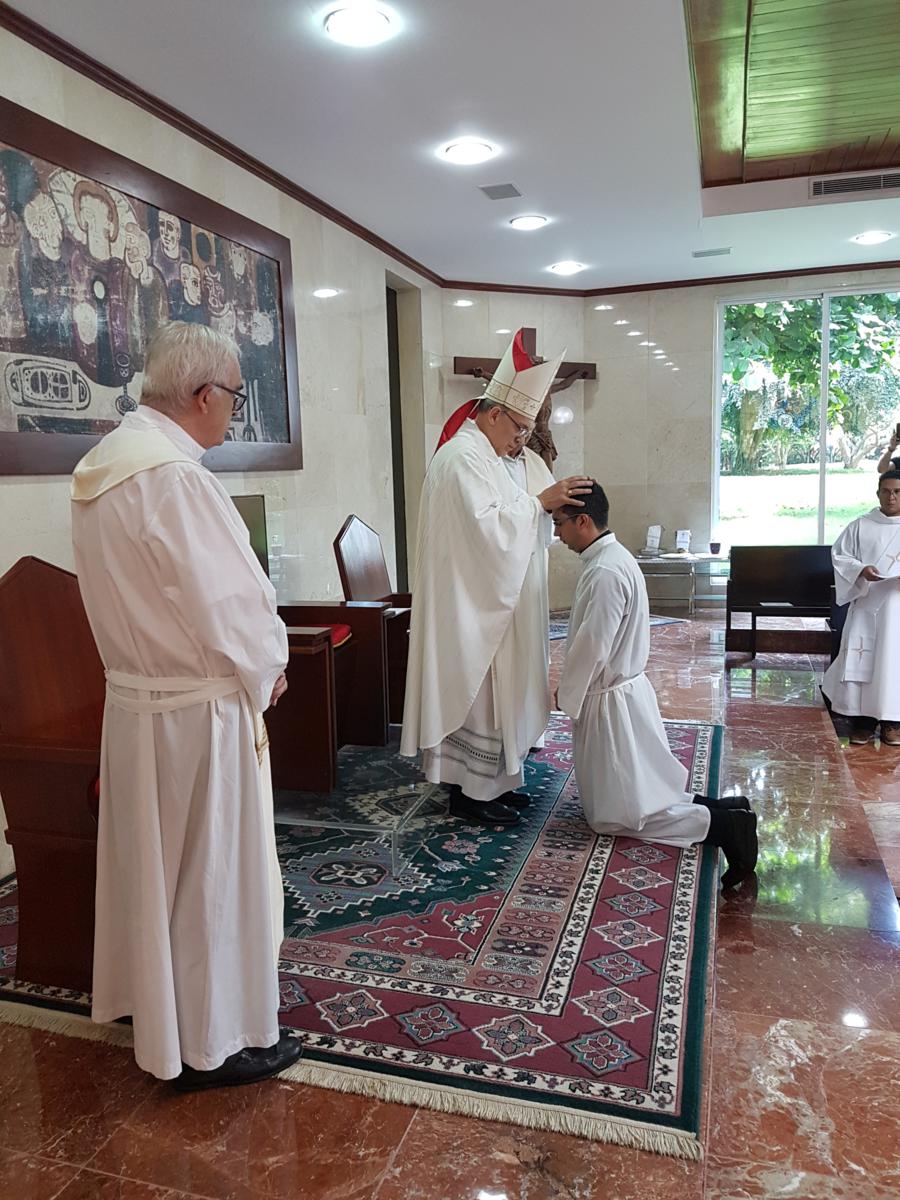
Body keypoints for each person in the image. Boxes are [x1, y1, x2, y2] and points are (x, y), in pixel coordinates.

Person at [70, 321, 300, 1089]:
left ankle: (163, 1014)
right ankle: (212, 1041)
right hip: (198, 714)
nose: (233, 409)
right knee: (210, 876)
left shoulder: (101, 467)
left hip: (138, 705)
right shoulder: (176, 479)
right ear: (203, 395)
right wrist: (270, 666)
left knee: (158, 870)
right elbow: (229, 603)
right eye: (234, 396)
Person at [402, 327, 592, 827]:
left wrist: (549, 505)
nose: (522, 439)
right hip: (475, 606)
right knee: (482, 696)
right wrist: (538, 504)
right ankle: (470, 793)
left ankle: (498, 783)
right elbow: (485, 530)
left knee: (505, 697)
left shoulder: (499, 457)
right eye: (519, 428)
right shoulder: (460, 458)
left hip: (506, 602)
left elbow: (521, 512)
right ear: (492, 414)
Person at [553, 483, 758, 889]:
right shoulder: (612, 557)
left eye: (560, 524)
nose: (557, 534)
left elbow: (593, 645)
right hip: (621, 692)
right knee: (638, 790)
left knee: (616, 816)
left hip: (609, 699)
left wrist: (568, 692)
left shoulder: (606, 571)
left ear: (583, 520)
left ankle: (722, 827)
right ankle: (728, 808)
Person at [823, 469, 900, 745]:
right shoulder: (860, 525)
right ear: (877, 493)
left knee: (893, 662)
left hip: (897, 607)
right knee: (863, 660)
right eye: (886, 491)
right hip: (867, 603)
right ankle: (864, 721)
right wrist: (860, 570)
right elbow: (840, 555)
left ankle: (892, 722)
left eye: (897, 492)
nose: (891, 497)